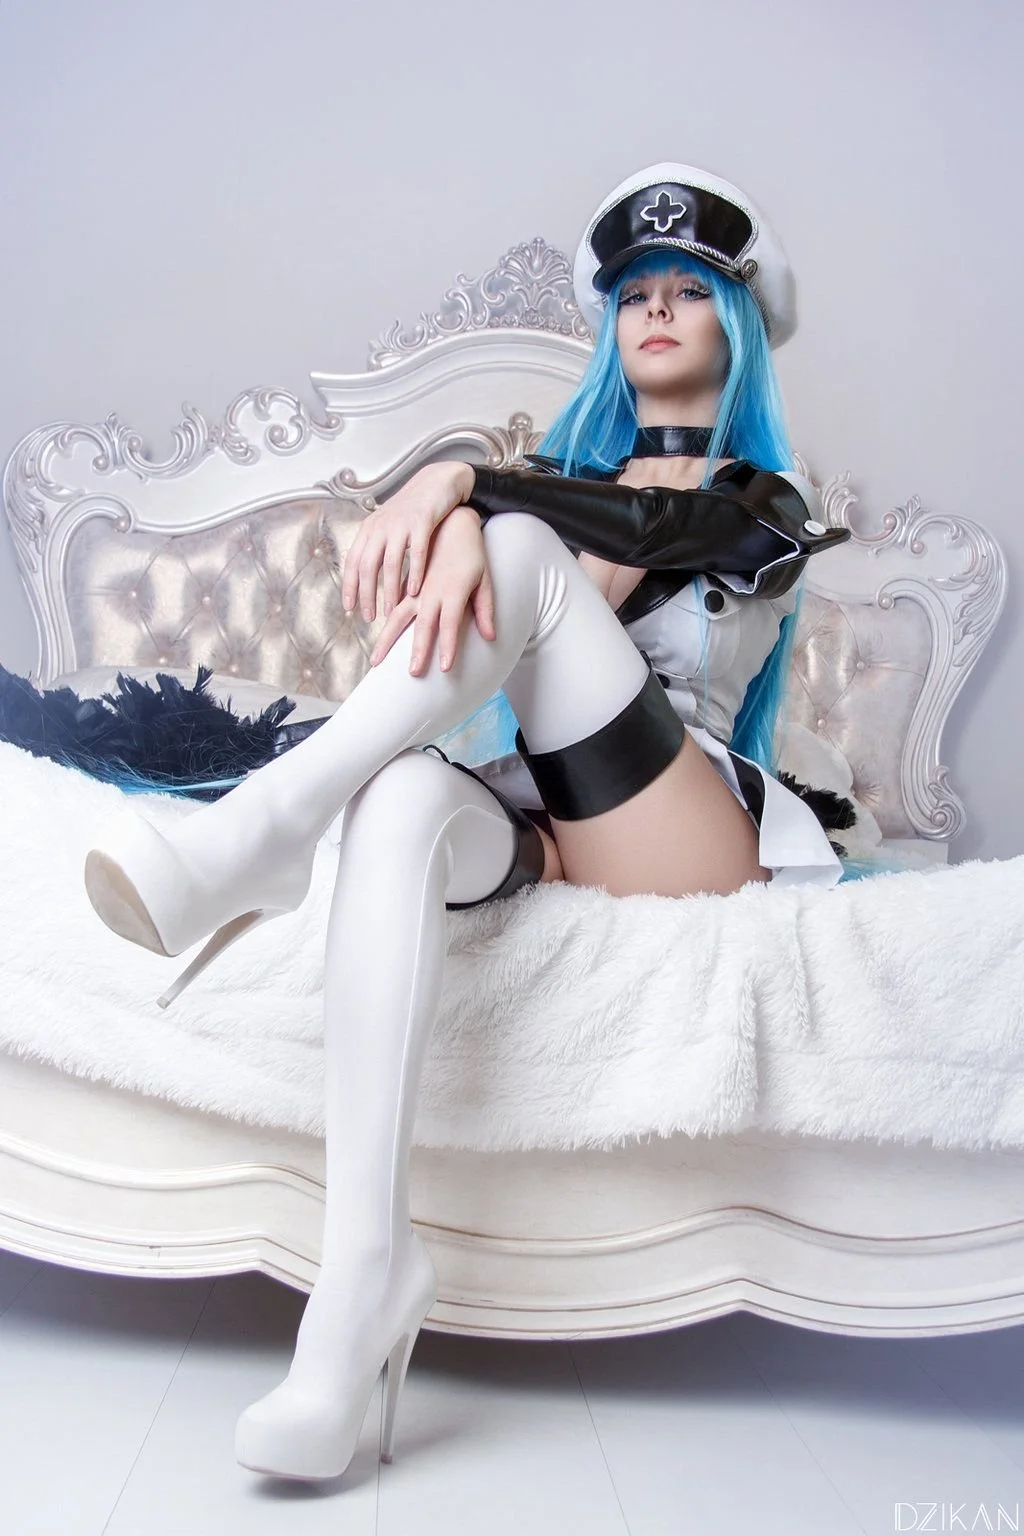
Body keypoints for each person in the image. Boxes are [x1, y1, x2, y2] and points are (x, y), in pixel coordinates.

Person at [82, 162, 851, 1482]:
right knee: (398, 801)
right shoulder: (544, 493)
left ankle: (266, 832)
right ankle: (361, 1284)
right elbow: (535, 553)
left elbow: (645, 526)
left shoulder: (764, 502)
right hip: (555, 810)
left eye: (689, 291)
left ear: (736, 324)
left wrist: (460, 484)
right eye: (635, 294)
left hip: (685, 834)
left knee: (520, 548)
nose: (657, 311)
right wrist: (468, 506)